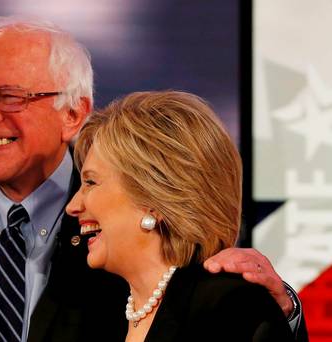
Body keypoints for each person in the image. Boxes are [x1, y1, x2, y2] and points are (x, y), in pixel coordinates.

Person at [0, 16, 305, 342]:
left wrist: (282, 309)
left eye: (10, 96)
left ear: (73, 112)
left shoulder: (135, 223)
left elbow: (227, 315)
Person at [66, 90, 294, 341]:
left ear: (154, 198)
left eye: (90, 182)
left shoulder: (230, 309)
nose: (73, 206)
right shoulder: (93, 311)